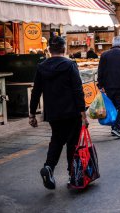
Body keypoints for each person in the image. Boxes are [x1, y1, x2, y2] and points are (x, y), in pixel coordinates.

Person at [29, 36, 88, 190]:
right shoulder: (70, 65)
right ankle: (72, 175)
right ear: (64, 49)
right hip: (71, 112)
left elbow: (36, 92)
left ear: (49, 49)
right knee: (72, 143)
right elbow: (77, 90)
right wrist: (83, 114)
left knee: (56, 139)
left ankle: (49, 168)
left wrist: (32, 114)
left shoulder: (41, 67)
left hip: (53, 113)